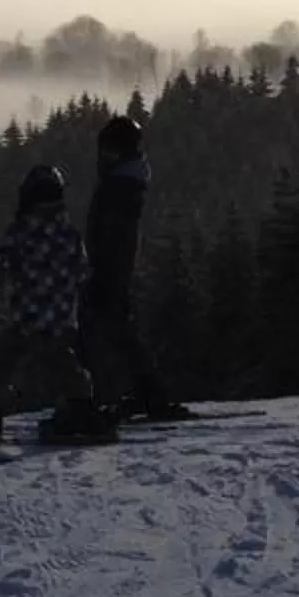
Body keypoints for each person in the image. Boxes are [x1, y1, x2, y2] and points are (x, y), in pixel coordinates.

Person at [0, 163, 116, 450]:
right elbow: (83, 273)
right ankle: (83, 411)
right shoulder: (70, 234)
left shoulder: (21, 232)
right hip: (61, 321)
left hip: (28, 319)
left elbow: (0, 265)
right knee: (66, 366)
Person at [75, 113, 192, 424]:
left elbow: (114, 234)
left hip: (110, 269)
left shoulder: (119, 187)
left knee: (103, 332)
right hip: (112, 268)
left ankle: (107, 398)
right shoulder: (122, 183)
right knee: (116, 332)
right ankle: (144, 395)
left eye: (107, 150)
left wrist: (104, 272)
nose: (102, 156)